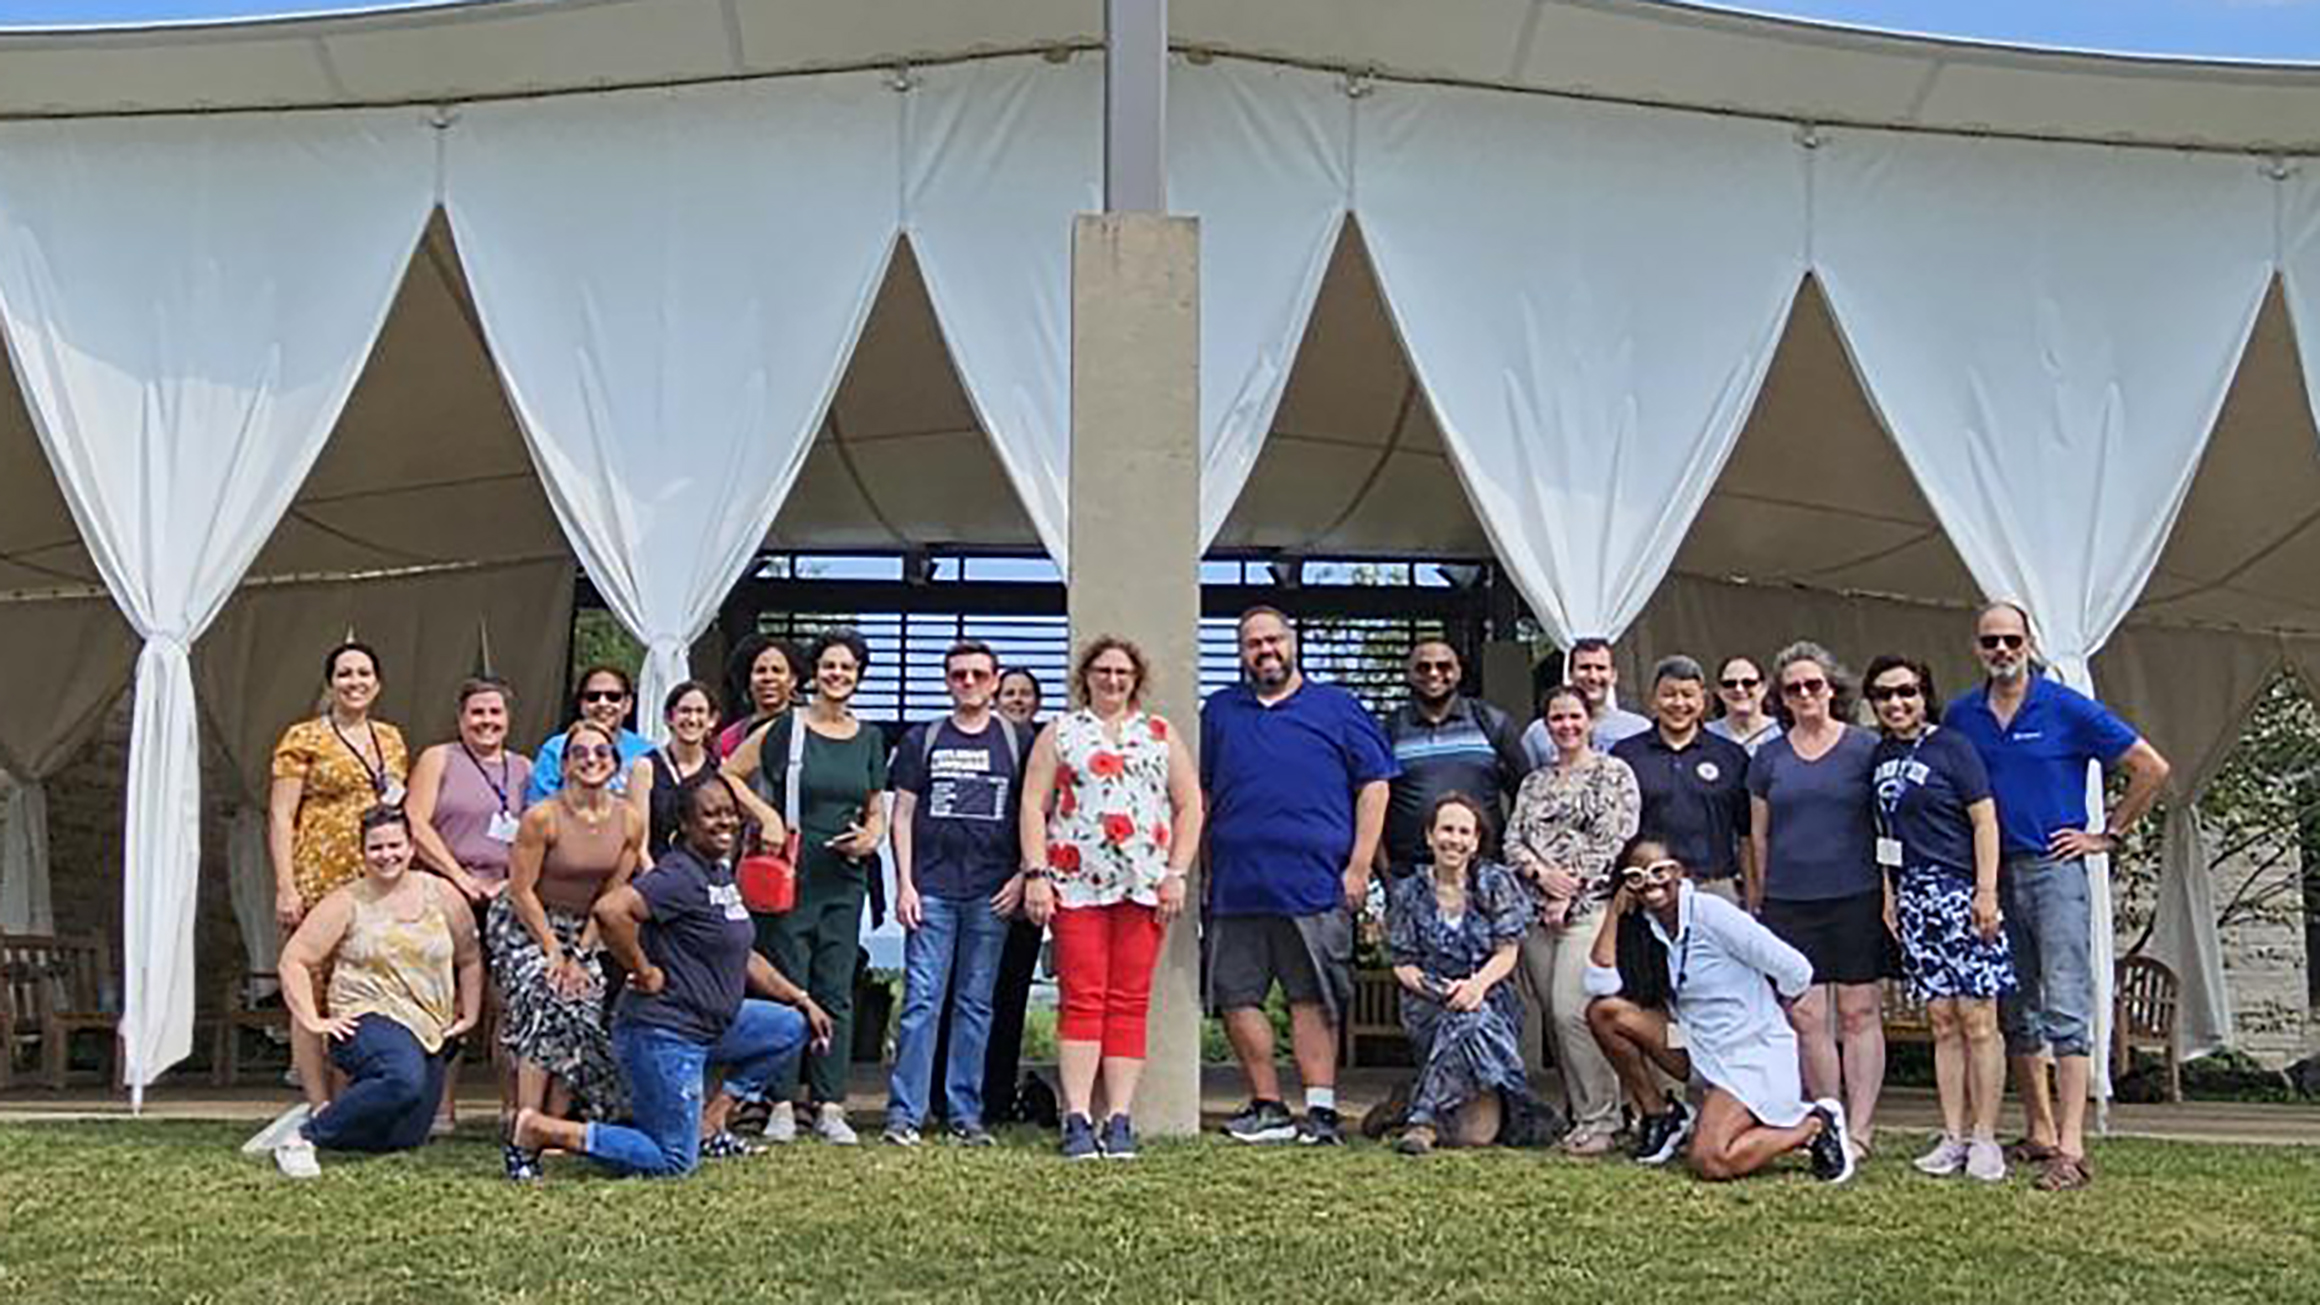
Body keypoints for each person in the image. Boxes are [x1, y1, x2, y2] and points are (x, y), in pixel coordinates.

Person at [1943, 600, 2170, 1192]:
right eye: (1991, 642)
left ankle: (2072, 1146)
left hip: (2054, 868)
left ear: (2030, 643)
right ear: (1976, 647)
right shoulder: (1962, 715)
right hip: (1991, 875)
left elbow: (2151, 767)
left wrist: (2108, 833)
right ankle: (2040, 1131)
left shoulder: (2064, 705)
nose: (2001, 652)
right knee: (2016, 1007)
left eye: (2011, 641)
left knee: (2067, 1003)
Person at [513, 774, 834, 1177]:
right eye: (711, 815)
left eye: (730, 813)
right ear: (685, 824)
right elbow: (612, 910)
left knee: (791, 1025)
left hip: (713, 1024)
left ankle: (711, 1120)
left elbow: (743, 955)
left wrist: (799, 997)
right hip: (665, 1034)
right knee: (674, 1161)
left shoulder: (717, 873)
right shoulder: (678, 875)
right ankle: (541, 1130)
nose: (726, 822)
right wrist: (643, 970)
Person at [1203, 606, 1397, 1146]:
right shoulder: (1219, 712)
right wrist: (1200, 873)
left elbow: (1375, 785)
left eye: (1272, 640)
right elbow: (1201, 794)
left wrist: (1359, 867)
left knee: (1312, 997)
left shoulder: (1336, 707)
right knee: (1236, 997)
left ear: (1292, 644)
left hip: (1315, 884)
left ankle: (1321, 1112)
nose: (1264, 651)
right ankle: (1267, 1106)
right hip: (1237, 887)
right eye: (1251, 644)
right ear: (1241, 654)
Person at [1021, 636, 1203, 1159]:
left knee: (1128, 1002)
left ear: (1136, 678)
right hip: (1076, 885)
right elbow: (1034, 805)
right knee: (1081, 999)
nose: (1113, 680)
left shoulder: (1159, 735)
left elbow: (1189, 805)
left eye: (1123, 672)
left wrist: (1177, 873)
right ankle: (1076, 1116)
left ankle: (1118, 1118)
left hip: (1145, 888)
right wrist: (1037, 872)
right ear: (1086, 676)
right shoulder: (1061, 732)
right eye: (1103, 670)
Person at [1583, 837, 1855, 1183]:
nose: (1650, 883)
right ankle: (1661, 1116)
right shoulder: (1643, 926)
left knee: (1710, 1159)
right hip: (1693, 1044)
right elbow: (1599, 984)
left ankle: (1815, 1125)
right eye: (1637, 876)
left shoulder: (1711, 914)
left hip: (1748, 1054)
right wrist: (1615, 912)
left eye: (1659, 871)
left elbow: (1796, 969)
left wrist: (1775, 1010)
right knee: (1605, 1012)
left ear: (1679, 873)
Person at [722, 627, 889, 1145]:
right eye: (829, 666)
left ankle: (830, 1102)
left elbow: (876, 805)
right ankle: (780, 1100)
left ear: (859, 677)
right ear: (813, 674)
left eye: (848, 667)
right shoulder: (786, 728)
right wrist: (766, 815)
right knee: (788, 984)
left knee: (835, 987)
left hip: (845, 874)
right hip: (790, 870)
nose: (838, 675)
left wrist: (871, 836)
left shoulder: (869, 736)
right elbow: (727, 772)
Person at [257, 805, 484, 1179]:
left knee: (403, 1136)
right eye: (375, 847)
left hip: (428, 1025)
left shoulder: (442, 894)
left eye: (395, 845)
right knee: (402, 1079)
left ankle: (328, 1121)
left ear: (412, 847)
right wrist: (313, 1020)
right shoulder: (347, 901)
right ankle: (302, 1138)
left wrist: (471, 1014)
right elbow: (294, 960)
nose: (386, 855)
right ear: (362, 852)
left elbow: (471, 958)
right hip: (366, 1015)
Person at [1864, 654, 2013, 1182]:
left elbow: (1984, 820)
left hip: (1962, 892)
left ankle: (1986, 1137)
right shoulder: (1880, 755)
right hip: (1913, 896)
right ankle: (1952, 1134)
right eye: (1884, 695)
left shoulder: (1953, 747)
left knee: (1979, 1020)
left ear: (1925, 693)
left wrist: (1986, 889)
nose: (1896, 703)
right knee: (1943, 1021)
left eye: (1906, 692)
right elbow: (1884, 834)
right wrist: (1889, 893)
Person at [883, 640, 1033, 1149]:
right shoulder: (922, 739)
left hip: (992, 894)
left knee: (975, 1004)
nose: (968, 683)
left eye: (977, 675)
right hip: (932, 891)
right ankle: (905, 1113)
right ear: (947, 681)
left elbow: (1037, 813)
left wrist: (1023, 876)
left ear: (994, 682)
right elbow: (900, 814)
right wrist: (904, 882)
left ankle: (964, 1113)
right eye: (958, 675)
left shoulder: (1018, 741)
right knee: (922, 1002)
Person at [1748, 640, 1887, 1158]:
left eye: (1813, 685)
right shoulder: (1769, 756)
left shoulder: (1865, 748)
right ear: (1781, 698)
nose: (1805, 694)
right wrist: (1760, 897)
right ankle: (1829, 1118)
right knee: (1806, 1017)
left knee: (1858, 1013)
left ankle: (1864, 1128)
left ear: (1832, 690)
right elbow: (1758, 836)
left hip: (1856, 894)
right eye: (1793, 688)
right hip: (1789, 900)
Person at [492, 718, 644, 1181]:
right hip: (527, 922)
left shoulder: (629, 820)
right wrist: (553, 953)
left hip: (587, 926)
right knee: (545, 988)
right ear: (566, 764)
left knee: (583, 995)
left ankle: (555, 1124)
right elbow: (521, 891)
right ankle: (526, 1118)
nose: (591, 760)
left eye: (601, 753)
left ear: (615, 763)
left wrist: (579, 954)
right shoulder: (543, 816)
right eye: (581, 753)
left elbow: (611, 899)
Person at [267, 640, 412, 1124]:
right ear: (330, 683)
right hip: (317, 874)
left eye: (364, 673)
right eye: (345, 674)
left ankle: (352, 1098)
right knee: (310, 984)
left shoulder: (390, 739)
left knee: (359, 985)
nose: (355, 682)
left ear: (378, 682)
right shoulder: (303, 737)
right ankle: (316, 1101)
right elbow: (282, 812)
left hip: (373, 878)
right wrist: (286, 884)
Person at [1505, 683, 1641, 1156]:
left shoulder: (1613, 774)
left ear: (1590, 721)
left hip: (1590, 912)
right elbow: (1512, 841)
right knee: (1554, 1018)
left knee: (1574, 1010)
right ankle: (1581, 1114)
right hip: (1538, 914)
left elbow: (1617, 839)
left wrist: (1570, 891)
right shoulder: (1535, 783)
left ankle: (1604, 1117)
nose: (1565, 726)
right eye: (1556, 718)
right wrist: (1540, 874)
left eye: (1573, 716)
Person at [405, 675, 533, 1134]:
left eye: (495, 712)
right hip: (446, 888)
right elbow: (415, 823)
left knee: (507, 1001)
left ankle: (512, 1106)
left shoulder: (522, 768)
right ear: (461, 717)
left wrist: (512, 883)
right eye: (477, 712)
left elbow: (535, 834)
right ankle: (441, 1108)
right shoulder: (438, 759)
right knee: (449, 1000)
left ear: (508, 718)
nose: (486, 721)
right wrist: (459, 878)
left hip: (504, 894)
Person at [930, 665, 1048, 1126]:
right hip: (966, 892)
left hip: (1019, 896)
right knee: (955, 996)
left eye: (1026, 695)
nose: (1018, 700)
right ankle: (944, 1096)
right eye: (1011, 693)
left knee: (1008, 1001)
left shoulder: (1038, 750)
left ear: (1036, 704)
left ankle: (995, 1098)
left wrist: (1027, 876)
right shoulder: (968, 744)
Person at [1386, 793, 1530, 1156]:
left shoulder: (1496, 883)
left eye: (1465, 831)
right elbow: (1402, 965)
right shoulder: (1408, 892)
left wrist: (1475, 987)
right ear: (1429, 836)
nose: (1455, 839)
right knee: (1466, 1017)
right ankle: (1423, 1121)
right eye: (1446, 829)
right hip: (1427, 998)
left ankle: (1418, 1113)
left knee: (1477, 1135)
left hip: (1489, 993)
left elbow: (1507, 952)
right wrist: (1442, 991)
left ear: (1476, 841)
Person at [1378, 638, 1528, 877]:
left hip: (1484, 870)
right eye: (1423, 667)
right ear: (1409, 674)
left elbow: (1526, 795)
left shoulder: (1491, 722)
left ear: (1459, 672)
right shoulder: (1389, 730)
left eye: (1444, 666)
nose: (1434, 673)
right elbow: (1372, 803)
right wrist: (1385, 872)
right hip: (1409, 873)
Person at [1613, 655, 1754, 905]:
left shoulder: (1730, 756)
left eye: (1688, 694)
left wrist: (1752, 893)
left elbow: (1745, 833)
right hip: (1648, 889)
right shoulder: (1625, 756)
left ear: (1703, 700)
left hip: (1715, 888)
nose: (1679, 703)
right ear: (1653, 700)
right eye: (1669, 694)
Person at [631, 680, 772, 859]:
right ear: (669, 718)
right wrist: (654, 881)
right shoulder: (645, 768)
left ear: (712, 720)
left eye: (700, 712)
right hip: (658, 873)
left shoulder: (720, 769)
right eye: (685, 711)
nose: (692, 719)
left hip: (704, 876)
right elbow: (637, 842)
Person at [526, 666, 654, 803]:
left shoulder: (647, 751)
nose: (602, 703)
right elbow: (539, 807)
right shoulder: (554, 749)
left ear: (628, 704)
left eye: (613, 697)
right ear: (581, 704)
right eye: (593, 697)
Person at [1520, 636, 1652, 768]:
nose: (1593, 676)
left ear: (1613, 676)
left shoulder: (1639, 729)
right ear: (1570, 674)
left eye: (1600, 668)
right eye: (1584, 668)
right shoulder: (1538, 734)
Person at [716, 635, 804, 761]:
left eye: (777, 670)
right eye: (760, 671)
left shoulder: (809, 730)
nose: (768, 678)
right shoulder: (729, 740)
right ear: (748, 680)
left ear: (793, 680)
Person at [1707, 655, 1782, 755]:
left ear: (1764, 688)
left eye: (1748, 683)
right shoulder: (1706, 735)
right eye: (1730, 683)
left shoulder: (1784, 733)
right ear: (1719, 691)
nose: (1739, 689)